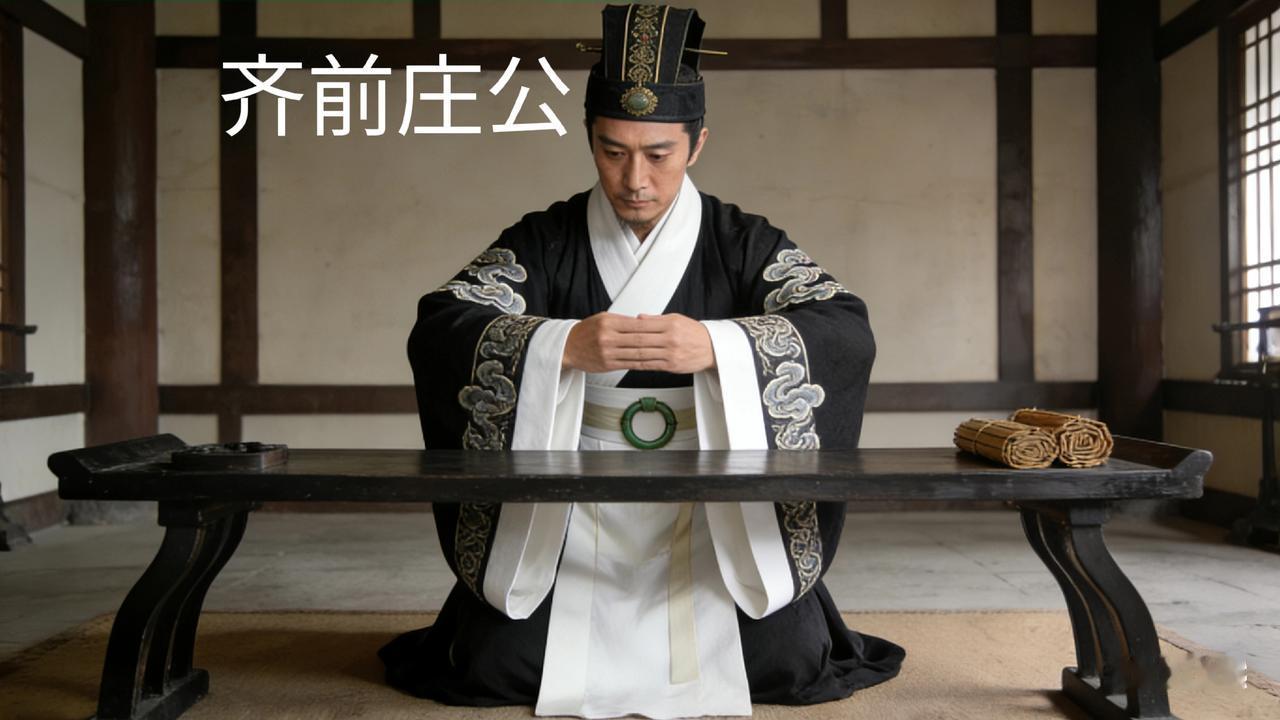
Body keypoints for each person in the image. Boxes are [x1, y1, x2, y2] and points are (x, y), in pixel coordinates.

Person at [379, 4, 904, 717]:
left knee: (787, 663)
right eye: (612, 151)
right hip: (570, 507)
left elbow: (842, 326)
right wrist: (559, 345)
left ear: (697, 143)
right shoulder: (547, 239)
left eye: (658, 154)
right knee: (495, 666)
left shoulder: (741, 241)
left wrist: (720, 346)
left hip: (712, 503)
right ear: (589, 138)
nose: (634, 178)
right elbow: (445, 321)